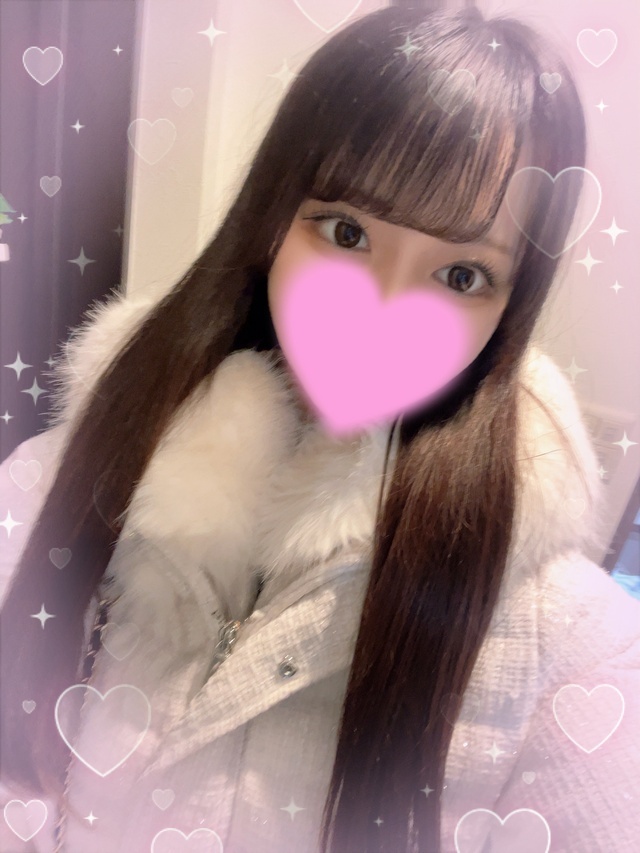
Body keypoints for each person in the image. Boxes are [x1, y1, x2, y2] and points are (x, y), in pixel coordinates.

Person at [1, 2, 639, 851]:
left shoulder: (570, 646)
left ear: (511, 307)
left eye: (461, 273)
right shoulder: (48, 484)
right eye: (347, 231)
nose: (382, 309)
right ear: (271, 219)